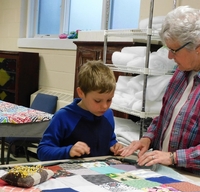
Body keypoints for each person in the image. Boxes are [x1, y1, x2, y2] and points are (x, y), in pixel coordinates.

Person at [120, 6, 200, 175]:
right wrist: (148, 138)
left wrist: (173, 157)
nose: (170, 57)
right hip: (165, 171)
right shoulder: (180, 73)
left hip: (192, 177)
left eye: (174, 50)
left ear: (198, 47)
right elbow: (165, 117)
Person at [37, 60, 123, 161]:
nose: (104, 106)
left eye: (109, 100)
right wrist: (68, 151)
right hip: (70, 173)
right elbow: (42, 151)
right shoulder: (63, 117)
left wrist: (114, 147)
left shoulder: (108, 114)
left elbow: (110, 140)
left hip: (100, 172)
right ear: (81, 93)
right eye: (97, 100)